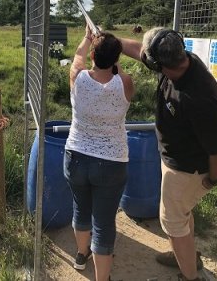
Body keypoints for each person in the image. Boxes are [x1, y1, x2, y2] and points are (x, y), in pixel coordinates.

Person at [119, 27, 217, 281]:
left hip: (188, 168)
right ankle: (187, 253)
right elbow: (139, 50)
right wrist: (107, 37)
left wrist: (213, 180)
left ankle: (190, 276)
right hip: (176, 160)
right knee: (181, 214)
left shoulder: (196, 99)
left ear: (160, 65)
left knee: (172, 220)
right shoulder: (180, 59)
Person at [64, 25, 135, 281]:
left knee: (81, 210)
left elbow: (77, 57)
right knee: (103, 223)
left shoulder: (78, 77)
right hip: (112, 162)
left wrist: (87, 38)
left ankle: (81, 255)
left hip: (76, 157)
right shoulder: (125, 82)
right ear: (117, 59)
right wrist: (111, 52)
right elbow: (119, 73)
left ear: (93, 56)